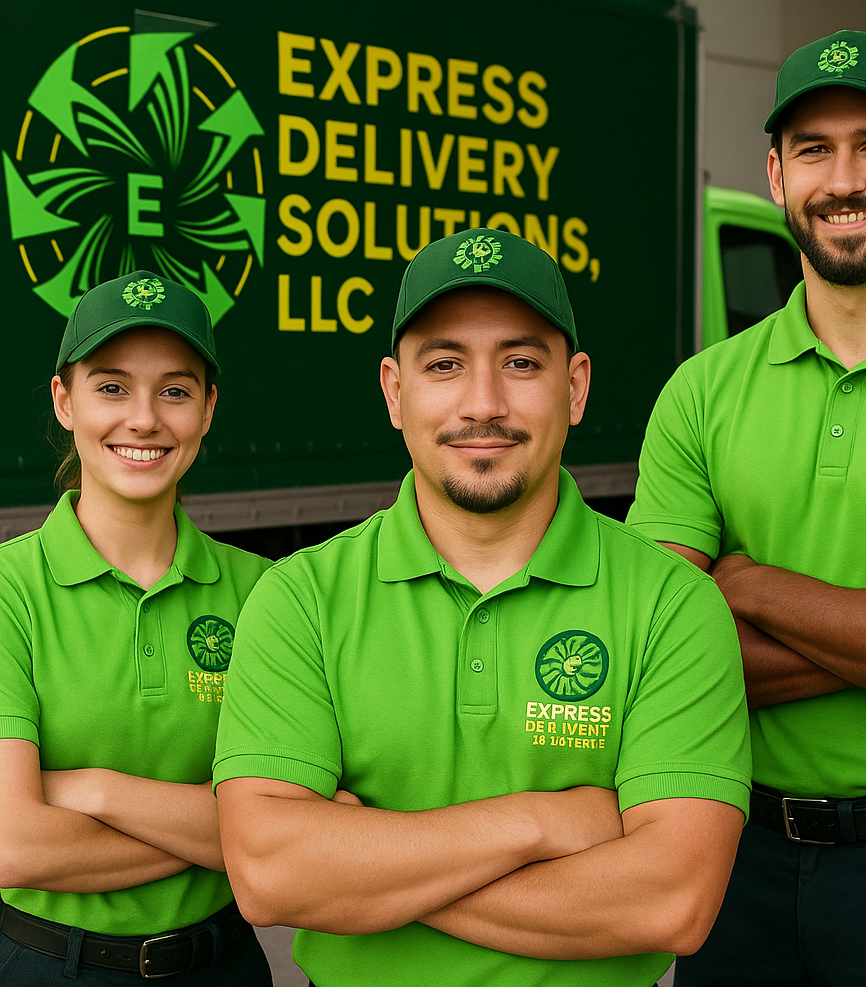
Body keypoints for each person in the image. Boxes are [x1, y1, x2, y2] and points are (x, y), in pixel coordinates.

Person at [212, 228, 751, 987]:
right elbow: (271, 877)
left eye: (521, 363)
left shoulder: (673, 603)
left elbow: (672, 901)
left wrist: (367, 867)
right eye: (444, 365)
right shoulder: (301, 598)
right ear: (395, 392)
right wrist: (540, 822)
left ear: (576, 387)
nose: (484, 404)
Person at [627, 30, 866, 985]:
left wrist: (748, 585)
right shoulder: (702, 391)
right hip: (736, 857)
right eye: (813, 149)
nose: (844, 180)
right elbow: (660, 669)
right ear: (776, 175)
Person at [0, 271, 273, 985]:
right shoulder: (9, 589)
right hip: (46, 966)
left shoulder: (266, 593)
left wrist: (93, 789)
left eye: (175, 391)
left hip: (225, 966)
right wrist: (231, 833)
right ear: (65, 401)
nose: (145, 419)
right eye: (113, 387)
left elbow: (308, 826)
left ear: (208, 410)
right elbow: (14, 845)